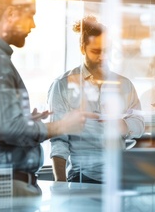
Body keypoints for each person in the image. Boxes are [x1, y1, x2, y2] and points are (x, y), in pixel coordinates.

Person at [0, 0, 98, 211]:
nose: (33, 25)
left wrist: (23, 119)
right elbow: (8, 129)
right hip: (2, 190)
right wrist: (61, 126)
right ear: (12, 13)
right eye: (30, 15)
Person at [48, 15, 145, 184]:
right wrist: (60, 184)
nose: (102, 57)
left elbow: (139, 124)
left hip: (121, 175)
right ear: (82, 48)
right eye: (95, 51)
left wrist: (122, 125)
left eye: (106, 51)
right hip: (82, 177)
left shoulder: (124, 85)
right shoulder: (63, 85)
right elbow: (59, 140)